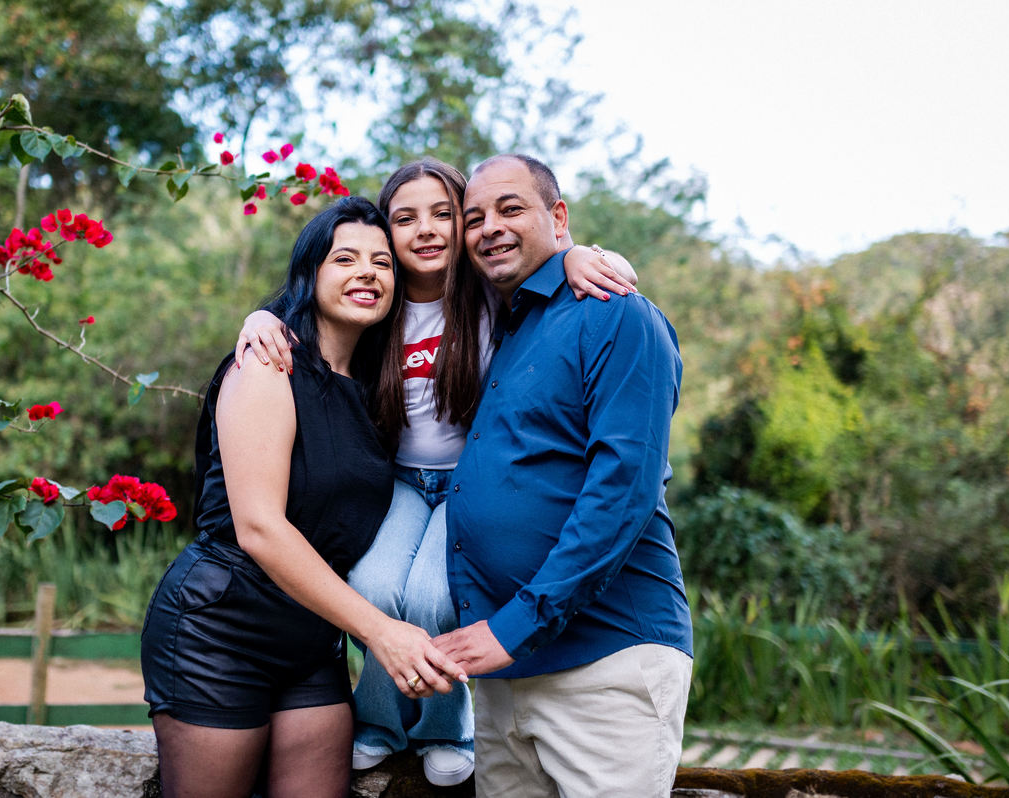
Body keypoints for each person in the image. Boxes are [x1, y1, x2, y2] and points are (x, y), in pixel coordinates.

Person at [235, 158, 636, 786]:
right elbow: (312, 309)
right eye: (405, 218)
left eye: (443, 214)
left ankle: (447, 728)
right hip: (399, 481)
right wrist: (260, 318)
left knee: (431, 597)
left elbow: (550, 264)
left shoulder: (491, 295)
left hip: (468, 484)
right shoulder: (379, 304)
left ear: (462, 224)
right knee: (371, 587)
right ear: (385, 233)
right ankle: (380, 721)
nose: (425, 229)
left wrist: (582, 253)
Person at [140, 196, 467, 798]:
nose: (367, 272)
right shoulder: (268, 365)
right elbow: (260, 528)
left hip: (314, 642)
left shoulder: (377, 387)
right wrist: (383, 632)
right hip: (222, 629)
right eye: (345, 259)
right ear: (309, 272)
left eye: (382, 263)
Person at [434, 154, 693, 798]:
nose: (490, 228)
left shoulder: (614, 314)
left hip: (605, 663)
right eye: (475, 218)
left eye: (511, 209)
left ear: (558, 217)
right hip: (502, 678)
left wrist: (515, 627)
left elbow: (624, 490)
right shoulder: (500, 328)